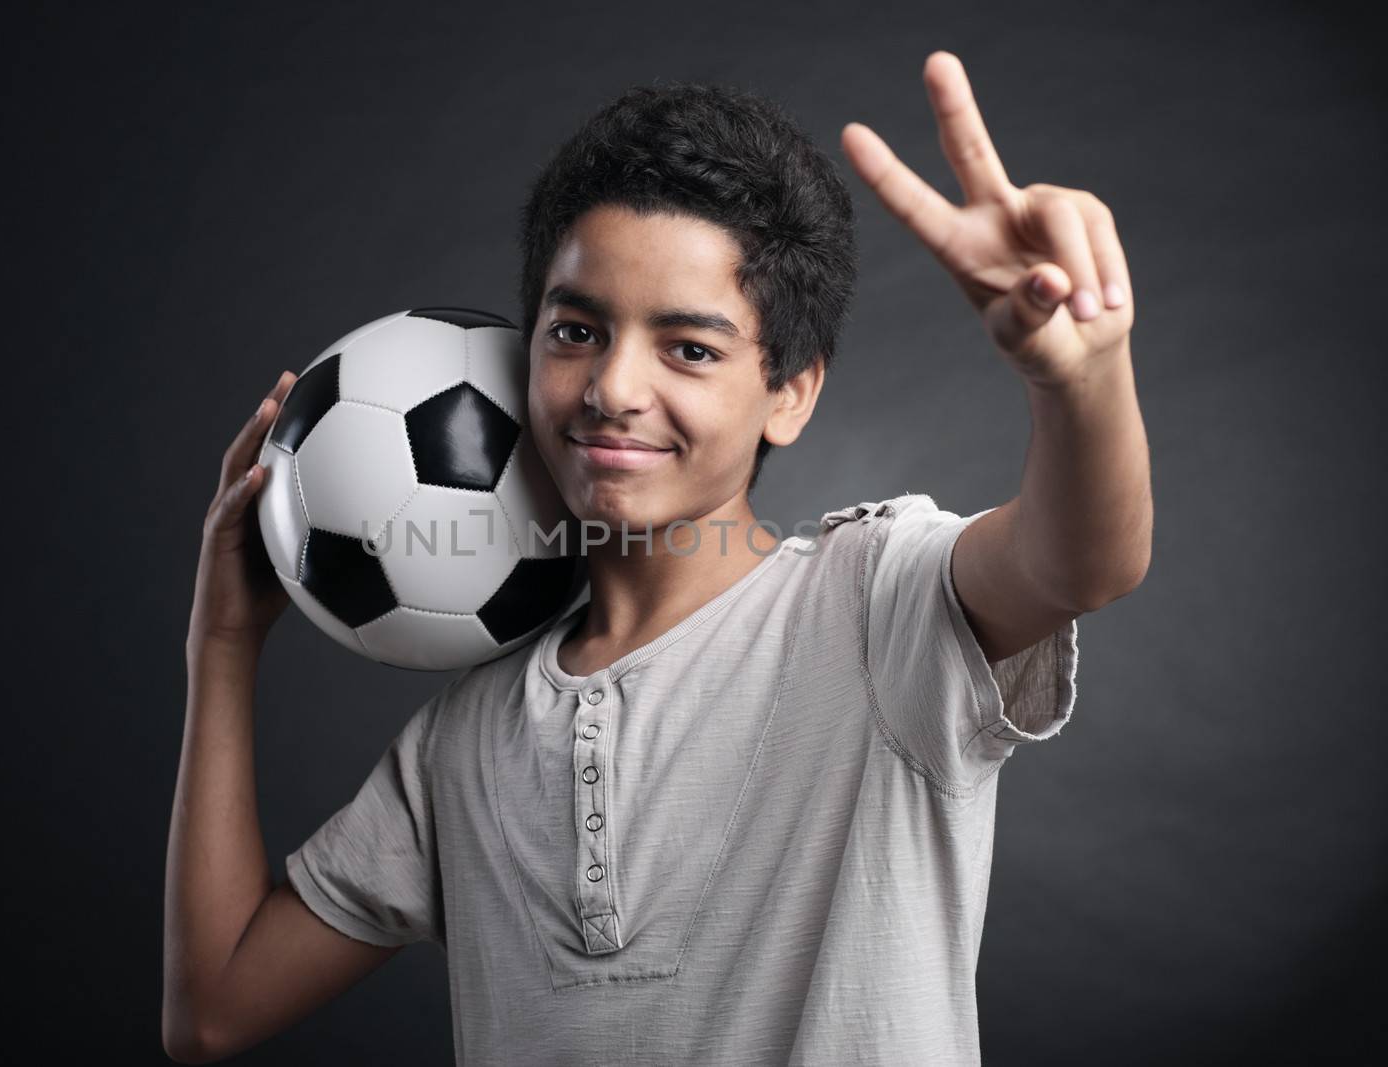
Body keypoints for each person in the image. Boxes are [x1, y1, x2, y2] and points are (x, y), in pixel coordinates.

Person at [163, 49, 1150, 1065]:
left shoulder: (878, 608)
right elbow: (214, 1008)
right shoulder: (461, 742)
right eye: (576, 330)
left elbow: (1083, 562)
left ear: (791, 391)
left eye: (688, 347)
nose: (612, 387)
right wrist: (225, 642)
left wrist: (1081, 377)